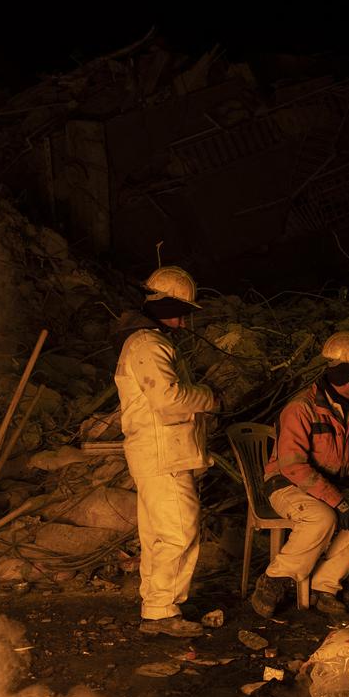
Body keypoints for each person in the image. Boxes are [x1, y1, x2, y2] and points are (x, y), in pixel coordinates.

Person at [249, 331, 349, 618]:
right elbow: (293, 466)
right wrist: (338, 501)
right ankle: (274, 580)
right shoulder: (301, 409)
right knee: (321, 517)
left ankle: (324, 587)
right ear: (345, 378)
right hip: (287, 483)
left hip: (328, 486)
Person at [113, 266, 219, 638]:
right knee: (178, 531)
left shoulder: (147, 342)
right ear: (165, 306)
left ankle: (156, 605)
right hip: (163, 455)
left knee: (158, 534)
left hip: (157, 453)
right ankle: (162, 610)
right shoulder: (149, 344)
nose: (185, 322)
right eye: (182, 312)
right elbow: (168, 400)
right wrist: (209, 397)